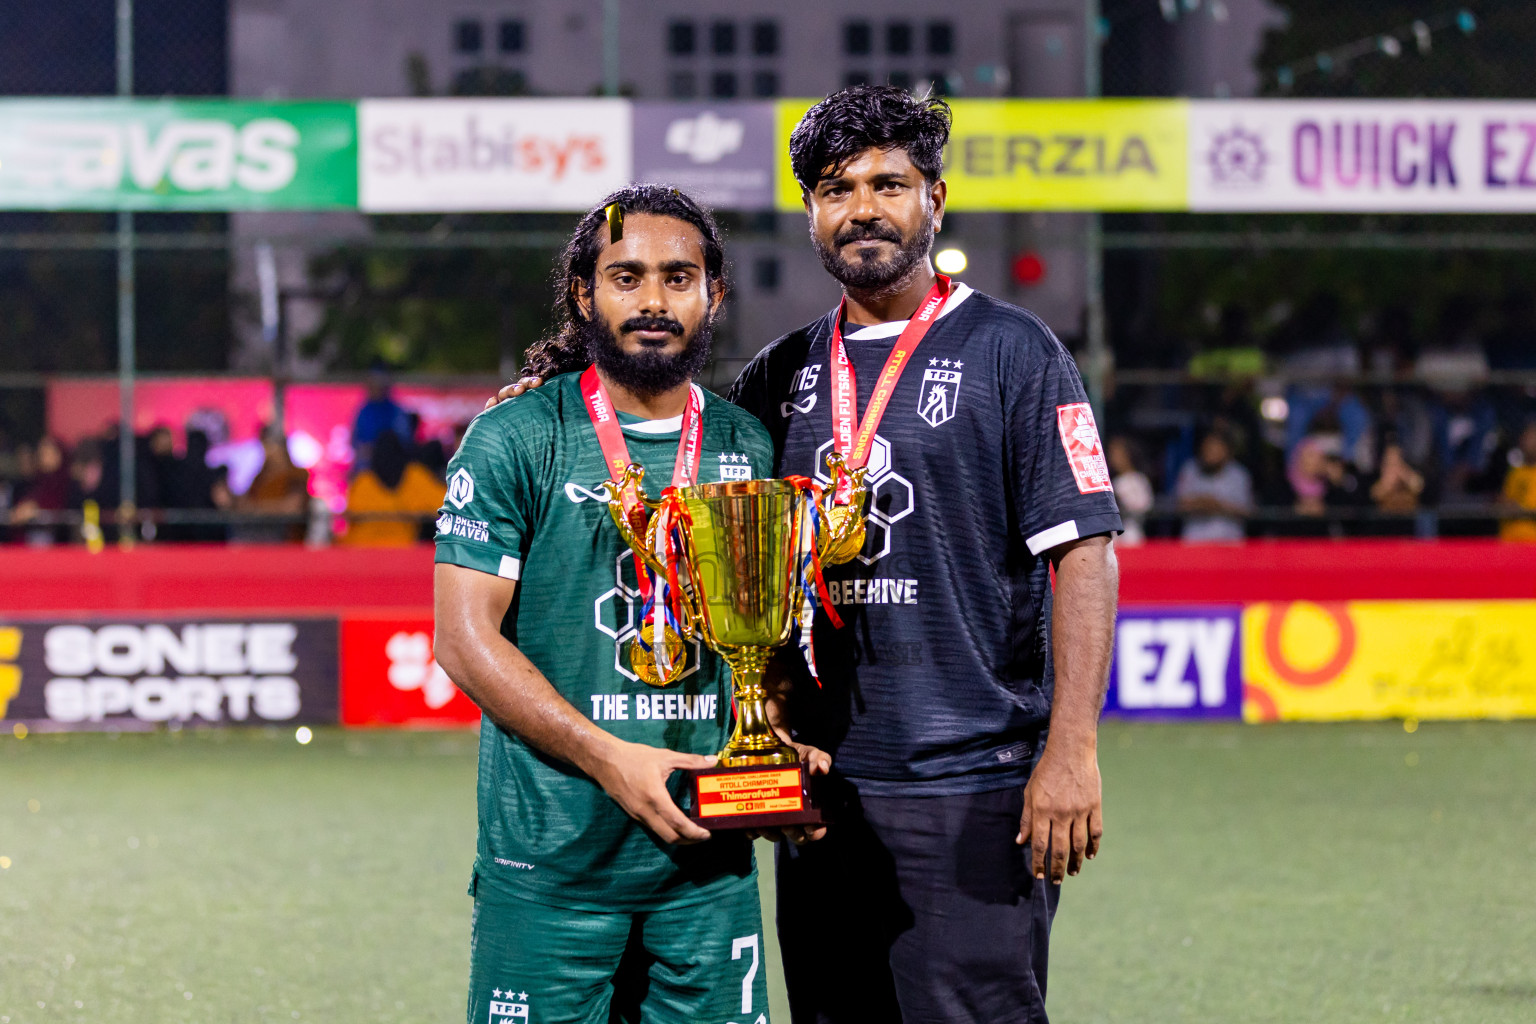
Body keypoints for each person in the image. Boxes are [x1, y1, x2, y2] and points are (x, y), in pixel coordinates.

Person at [492, 87, 1121, 1024]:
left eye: (887, 183)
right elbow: (678, 449)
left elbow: (1086, 554)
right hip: (815, 790)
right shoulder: (781, 374)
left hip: (970, 783)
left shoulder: (1014, 351)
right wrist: (551, 383)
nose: (863, 206)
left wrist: (1071, 751)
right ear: (812, 213)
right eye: (836, 188)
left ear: (934, 201)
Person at [433, 185, 826, 1024]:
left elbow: (762, 641)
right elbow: (464, 642)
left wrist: (778, 743)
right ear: (586, 293)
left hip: (706, 876)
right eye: (627, 277)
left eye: (679, 277)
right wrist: (611, 757)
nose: (654, 301)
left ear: (714, 293)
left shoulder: (744, 443)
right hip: (553, 873)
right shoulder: (517, 436)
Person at [341, 430, 445, 546]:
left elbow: (351, 512)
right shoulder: (414, 476)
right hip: (402, 549)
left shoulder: (363, 481)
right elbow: (445, 503)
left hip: (362, 549)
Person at [1175, 429, 1252, 542]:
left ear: (1227, 451)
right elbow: (1180, 504)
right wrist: (1204, 503)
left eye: (1215, 449)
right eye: (1206, 448)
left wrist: (1218, 505)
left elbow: (1247, 510)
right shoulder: (1189, 470)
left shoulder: (1239, 474)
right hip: (1194, 542)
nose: (1209, 453)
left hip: (1229, 542)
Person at [235, 427, 309, 542]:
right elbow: (245, 504)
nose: (265, 450)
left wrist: (258, 509)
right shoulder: (260, 476)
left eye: (267, 445)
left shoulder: (296, 474)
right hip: (258, 537)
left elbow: (292, 507)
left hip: (287, 541)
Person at [1107, 436, 1153, 545]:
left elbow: (1145, 506)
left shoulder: (1138, 479)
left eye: (1117, 454)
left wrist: (1120, 500)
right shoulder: (1112, 481)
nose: (1114, 458)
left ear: (1128, 454)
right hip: (1114, 537)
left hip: (1132, 535)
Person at [1498, 421, 1536, 542]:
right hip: (1508, 543)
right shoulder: (1515, 473)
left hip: (1531, 544)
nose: (1528, 442)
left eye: (1532, 438)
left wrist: (1520, 510)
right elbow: (1504, 502)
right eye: (1526, 437)